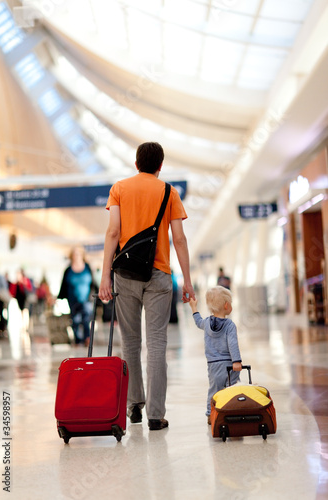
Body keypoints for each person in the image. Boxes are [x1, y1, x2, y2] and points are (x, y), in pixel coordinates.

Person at [99, 141, 195, 431]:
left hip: (125, 274)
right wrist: (187, 281)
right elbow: (179, 238)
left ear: (136, 162)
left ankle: (134, 407)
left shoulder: (119, 188)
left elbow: (113, 231)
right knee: (156, 345)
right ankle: (155, 414)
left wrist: (105, 275)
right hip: (159, 275)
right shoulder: (169, 192)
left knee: (130, 343)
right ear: (160, 165)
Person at [188, 286, 242, 425]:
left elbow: (198, 321)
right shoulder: (229, 325)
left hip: (213, 365)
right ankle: (231, 409)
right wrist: (236, 361)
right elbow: (233, 344)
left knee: (214, 389)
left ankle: (210, 414)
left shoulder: (206, 323)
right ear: (226, 305)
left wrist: (194, 307)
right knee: (232, 388)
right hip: (229, 364)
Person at [58, 246, 93, 346]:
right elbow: (63, 284)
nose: (76, 256)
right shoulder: (68, 270)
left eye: (78, 254)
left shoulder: (87, 267)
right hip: (72, 299)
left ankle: (87, 338)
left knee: (86, 319)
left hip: (86, 299)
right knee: (75, 320)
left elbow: (93, 283)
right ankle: (78, 340)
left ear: (82, 255)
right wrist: (58, 298)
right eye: (74, 254)